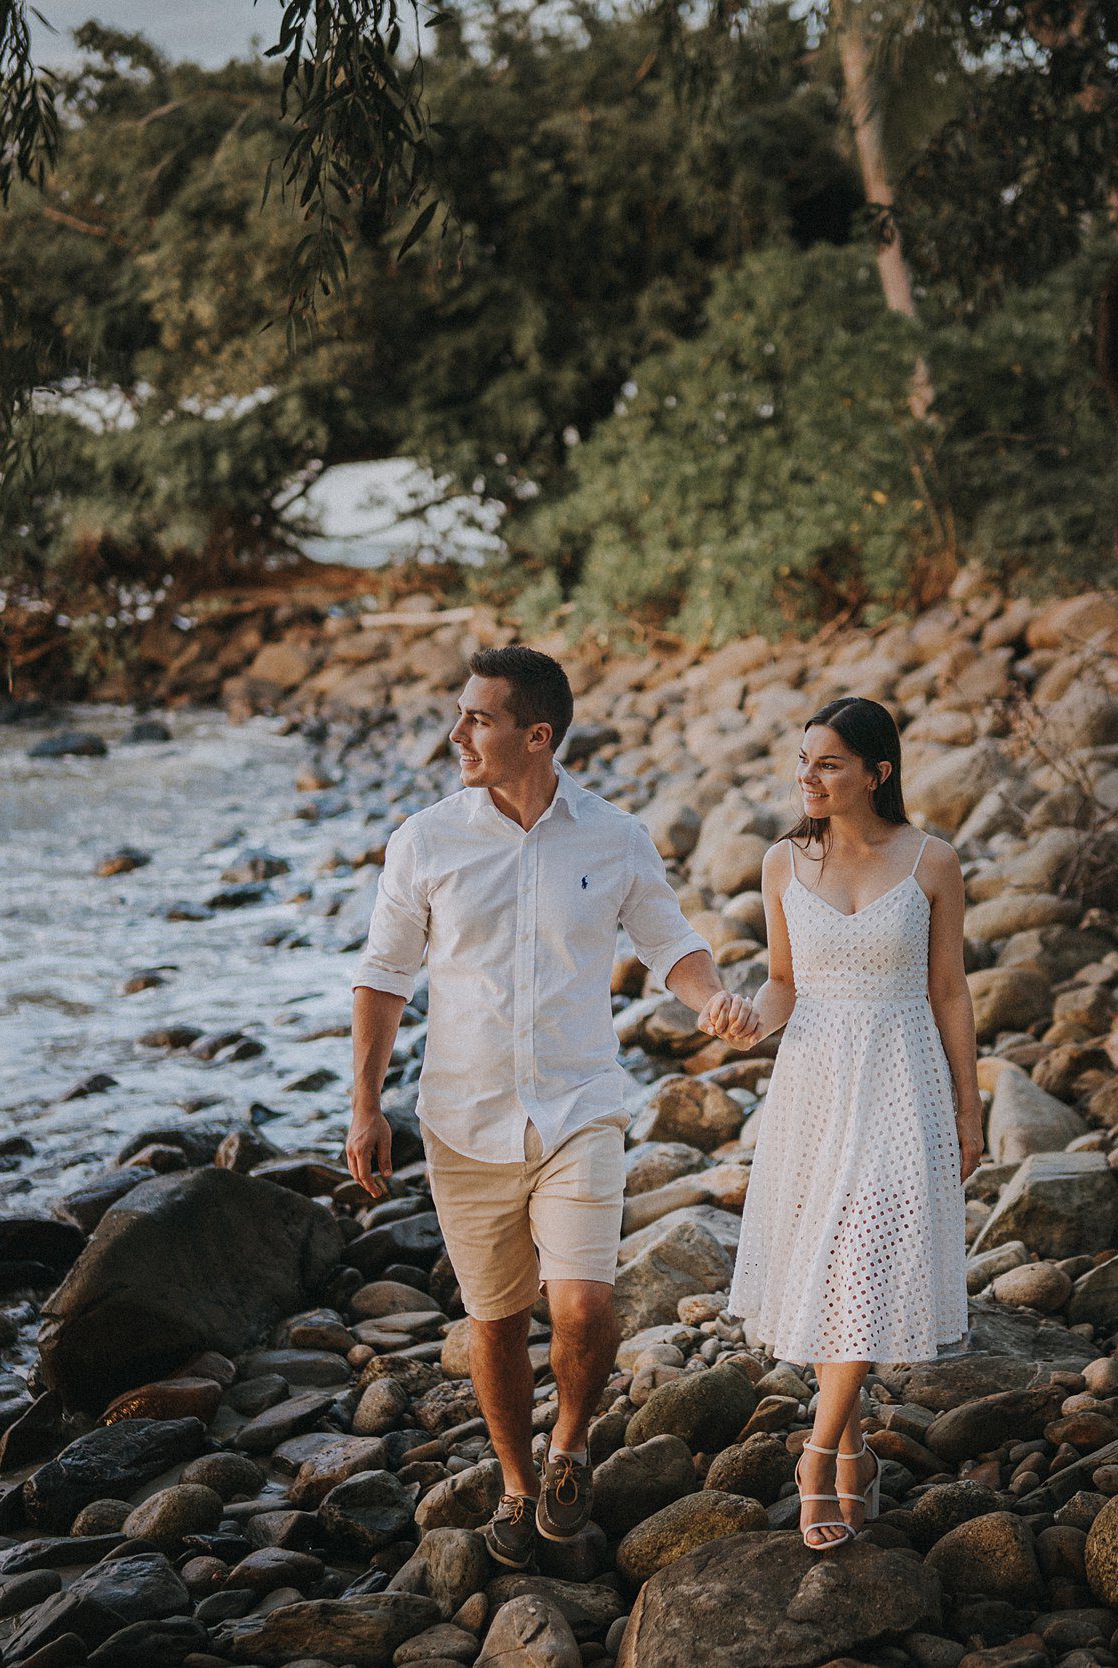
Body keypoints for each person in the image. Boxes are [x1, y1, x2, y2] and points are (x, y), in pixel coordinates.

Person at [347, 645, 756, 1570]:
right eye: (460, 715)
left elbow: (671, 943)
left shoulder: (614, 837)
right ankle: (517, 1482)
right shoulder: (424, 842)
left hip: (579, 1108)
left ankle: (568, 1445)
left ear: (537, 736)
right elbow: (382, 980)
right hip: (463, 1117)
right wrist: (364, 1107)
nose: (457, 735)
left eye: (477, 719)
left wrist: (714, 1003)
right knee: (493, 1323)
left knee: (581, 1307)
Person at [722, 695, 984, 1551]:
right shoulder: (780, 863)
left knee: (864, 1245)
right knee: (836, 1261)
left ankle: (816, 1453)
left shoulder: (932, 861)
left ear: (878, 772)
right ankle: (858, 1456)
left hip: (903, 1074)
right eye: (804, 763)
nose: (809, 779)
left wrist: (968, 1106)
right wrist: (749, 1019)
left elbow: (949, 990)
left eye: (829, 764)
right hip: (815, 1078)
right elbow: (783, 982)